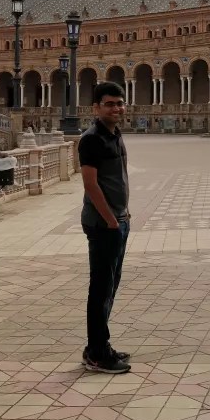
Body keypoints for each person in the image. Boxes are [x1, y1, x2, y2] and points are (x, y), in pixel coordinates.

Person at [78, 82, 133, 374]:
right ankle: (98, 354)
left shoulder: (115, 133)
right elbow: (90, 183)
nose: (116, 108)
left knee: (110, 286)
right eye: (110, 103)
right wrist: (111, 220)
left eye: (120, 103)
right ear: (96, 108)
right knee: (100, 289)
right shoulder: (91, 139)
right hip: (103, 224)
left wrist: (123, 214)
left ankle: (98, 345)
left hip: (119, 221)